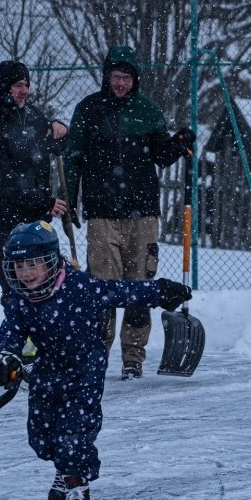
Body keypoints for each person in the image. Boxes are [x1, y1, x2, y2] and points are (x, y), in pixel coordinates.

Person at [0, 220, 192, 500]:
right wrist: (4, 358)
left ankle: (79, 491)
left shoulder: (78, 286)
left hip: (84, 369)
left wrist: (161, 291)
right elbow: (10, 335)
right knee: (40, 437)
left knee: (73, 434)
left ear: (51, 260)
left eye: (32, 264)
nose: (25, 273)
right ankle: (64, 471)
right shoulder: (20, 302)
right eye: (18, 266)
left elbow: (123, 290)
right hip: (47, 370)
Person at [62, 45, 196, 380]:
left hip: (143, 214)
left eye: (127, 77)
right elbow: (73, 157)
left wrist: (180, 141)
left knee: (141, 284)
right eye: (116, 76)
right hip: (102, 214)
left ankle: (133, 357)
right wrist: (69, 200)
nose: (121, 83)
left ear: (135, 79)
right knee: (102, 287)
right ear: (106, 76)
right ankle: (98, 352)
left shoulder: (148, 111)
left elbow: (162, 156)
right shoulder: (89, 110)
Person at [0, 60, 70, 308]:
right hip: (0, 220)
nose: (24, 91)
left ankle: (40, 338)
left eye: (26, 84)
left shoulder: (32, 116)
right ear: (3, 87)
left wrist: (59, 129)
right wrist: (43, 201)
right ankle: (20, 341)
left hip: (33, 219)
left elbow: (54, 144)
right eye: (17, 85)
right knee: (16, 284)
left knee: (44, 283)